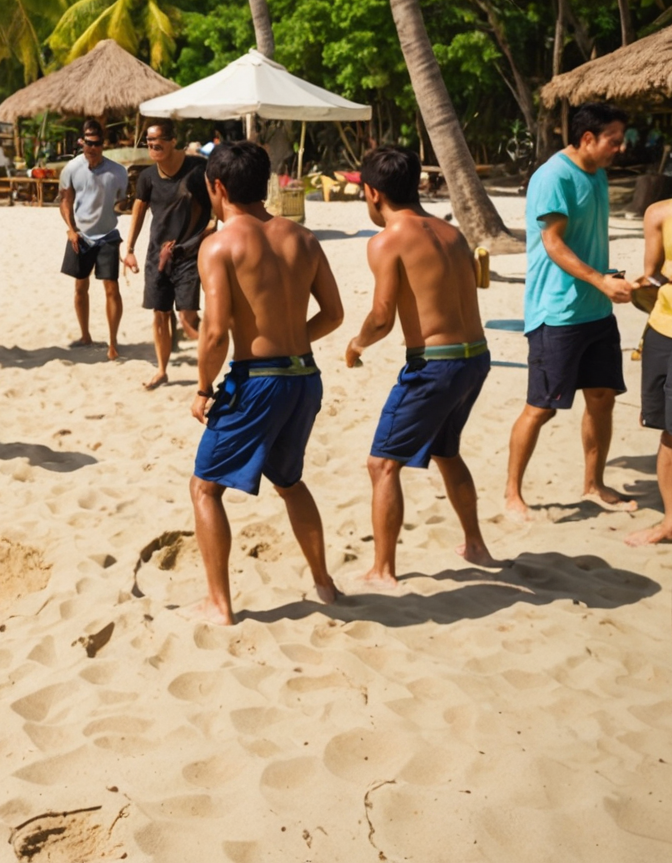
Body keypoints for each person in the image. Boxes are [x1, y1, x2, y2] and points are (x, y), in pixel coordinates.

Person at [188, 140, 344, 625]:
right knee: (290, 481)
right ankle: (324, 584)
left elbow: (215, 333)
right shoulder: (303, 237)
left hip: (257, 382)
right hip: (304, 377)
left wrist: (203, 387)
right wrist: (290, 340)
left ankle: (219, 603)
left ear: (217, 187)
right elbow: (334, 315)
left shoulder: (219, 245)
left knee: (205, 488)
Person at [342, 147, 500, 583]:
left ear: (373, 193)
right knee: (446, 451)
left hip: (435, 366)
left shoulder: (387, 240)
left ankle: (382, 570)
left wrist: (356, 345)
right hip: (475, 357)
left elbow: (381, 318)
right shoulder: (452, 233)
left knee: (382, 464)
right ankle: (475, 544)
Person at [505, 102, 636, 520]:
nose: (620, 148)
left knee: (601, 399)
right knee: (541, 407)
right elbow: (553, 244)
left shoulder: (597, 174)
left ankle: (593, 484)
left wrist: (609, 277)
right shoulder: (553, 176)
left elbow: (585, 240)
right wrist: (600, 280)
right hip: (557, 314)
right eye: (614, 140)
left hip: (596, 312)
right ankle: (512, 493)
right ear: (587, 138)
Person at [123, 119, 211, 389]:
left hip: (189, 255)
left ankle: (207, 375)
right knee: (160, 314)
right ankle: (161, 371)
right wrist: (129, 249)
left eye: (157, 139)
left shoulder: (198, 169)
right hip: (157, 257)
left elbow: (216, 201)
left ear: (173, 141)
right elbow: (139, 210)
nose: (152, 144)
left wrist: (212, 229)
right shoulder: (148, 177)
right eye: (148, 141)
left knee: (188, 317)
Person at [632, 194, 672, 547]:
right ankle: (671, 521)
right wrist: (660, 278)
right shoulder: (661, 213)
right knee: (670, 426)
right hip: (666, 328)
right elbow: (651, 276)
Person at [60, 119, 130, 360]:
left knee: (112, 288)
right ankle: (85, 335)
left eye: (97, 143)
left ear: (103, 144)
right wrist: (71, 229)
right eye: (88, 143)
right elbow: (65, 201)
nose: (92, 148)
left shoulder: (118, 171)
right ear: (82, 142)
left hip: (108, 235)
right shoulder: (71, 168)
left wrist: (121, 205)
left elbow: (122, 200)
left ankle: (113, 342)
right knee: (80, 287)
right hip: (80, 235)